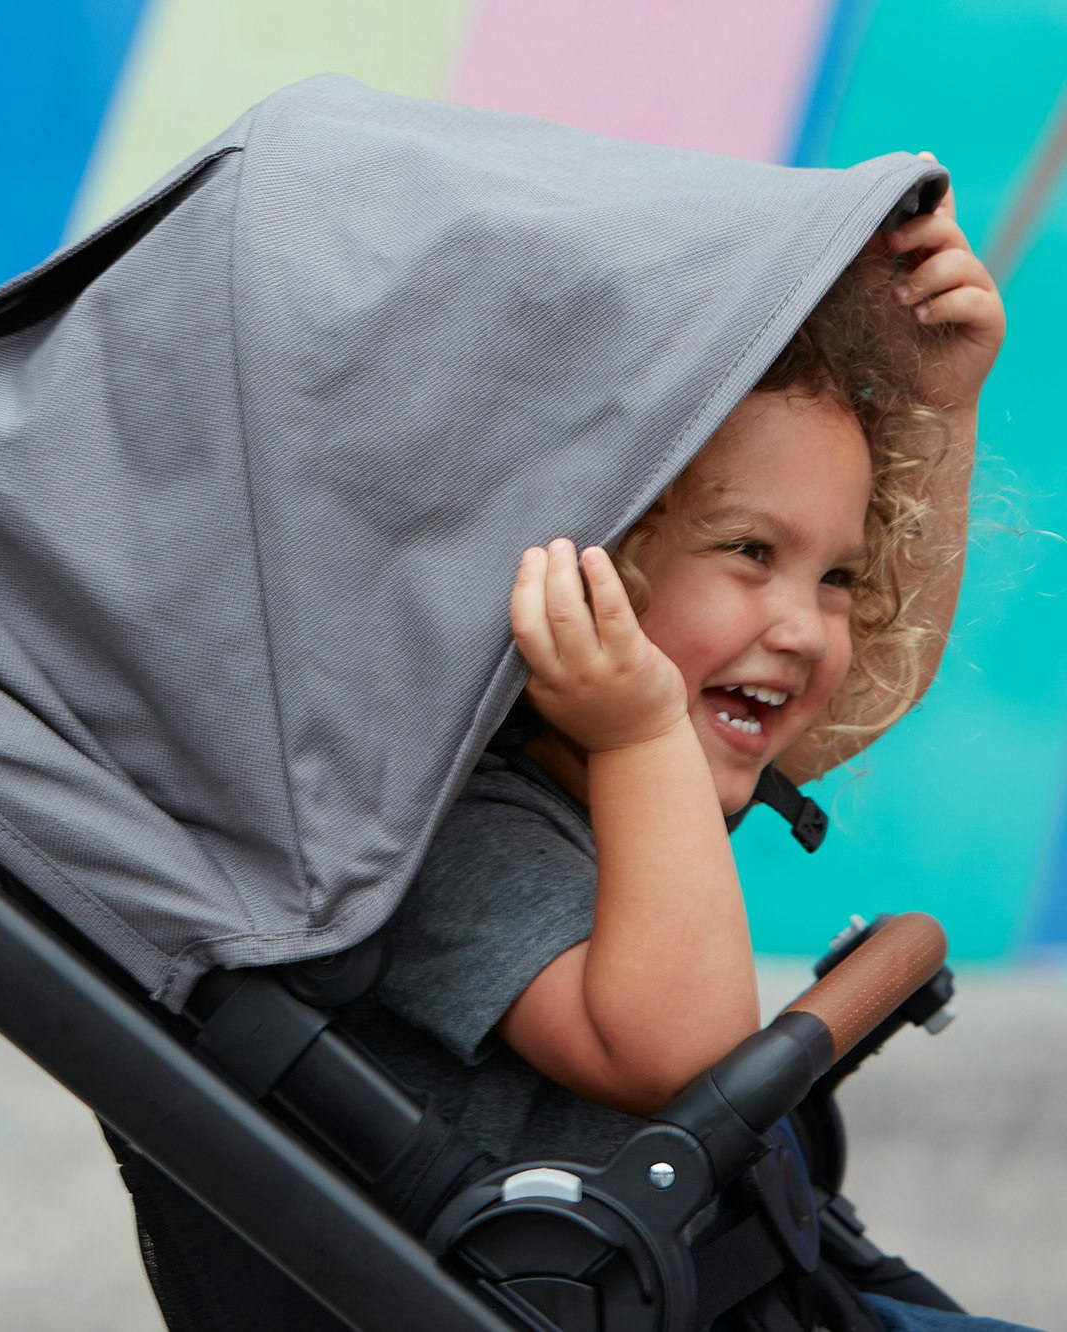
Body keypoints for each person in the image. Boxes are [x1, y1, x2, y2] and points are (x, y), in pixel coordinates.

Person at [348, 176, 1028, 1332]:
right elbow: (683, 1054)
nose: (807, 628)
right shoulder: (447, 835)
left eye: (839, 577)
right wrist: (642, 727)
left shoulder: (632, 763)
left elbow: (854, 692)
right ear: (582, 564)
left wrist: (940, 409)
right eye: (751, 550)